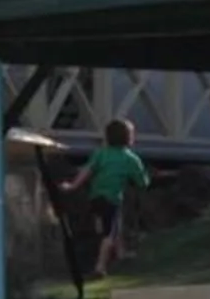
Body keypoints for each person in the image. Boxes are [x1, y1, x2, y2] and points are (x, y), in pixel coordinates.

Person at [61, 118, 150, 279]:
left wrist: (73, 185)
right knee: (109, 233)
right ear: (129, 138)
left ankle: (121, 252)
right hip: (112, 198)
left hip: (95, 197)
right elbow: (142, 182)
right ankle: (100, 266)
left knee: (115, 222)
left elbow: (87, 170)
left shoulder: (100, 153)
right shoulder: (131, 159)